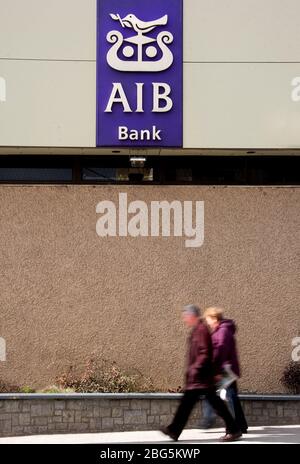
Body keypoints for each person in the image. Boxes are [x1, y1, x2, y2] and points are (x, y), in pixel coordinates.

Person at [160, 304, 242, 442]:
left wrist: (195, 368)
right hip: (199, 378)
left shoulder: (201, 330)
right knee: (191, 404)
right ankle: (174, 430)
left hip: (201, 377)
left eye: (186, 316)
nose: (184, 319)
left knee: (204, 404)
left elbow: (205, 353)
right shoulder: (197, 330)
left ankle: (234, 429)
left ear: (192, 316)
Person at [202, 306, 248, 434]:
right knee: (232, 396)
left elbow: (221, 349)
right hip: (228, 368)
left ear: (214, 318)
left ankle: (208, 419)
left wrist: (216, 370)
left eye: (208, 319)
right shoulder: (222, 329)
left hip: (225, 369)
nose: (207, 322)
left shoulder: (222, 330)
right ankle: (241, 425)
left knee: (211, 392)